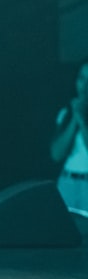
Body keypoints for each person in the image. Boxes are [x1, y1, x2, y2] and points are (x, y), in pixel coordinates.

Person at [51, 62, 88, 216]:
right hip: (67, 181)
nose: (85, 86)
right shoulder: (65, 113)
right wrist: (74, 117)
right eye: (81, 78)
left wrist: (81, 118)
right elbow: (56, 154)